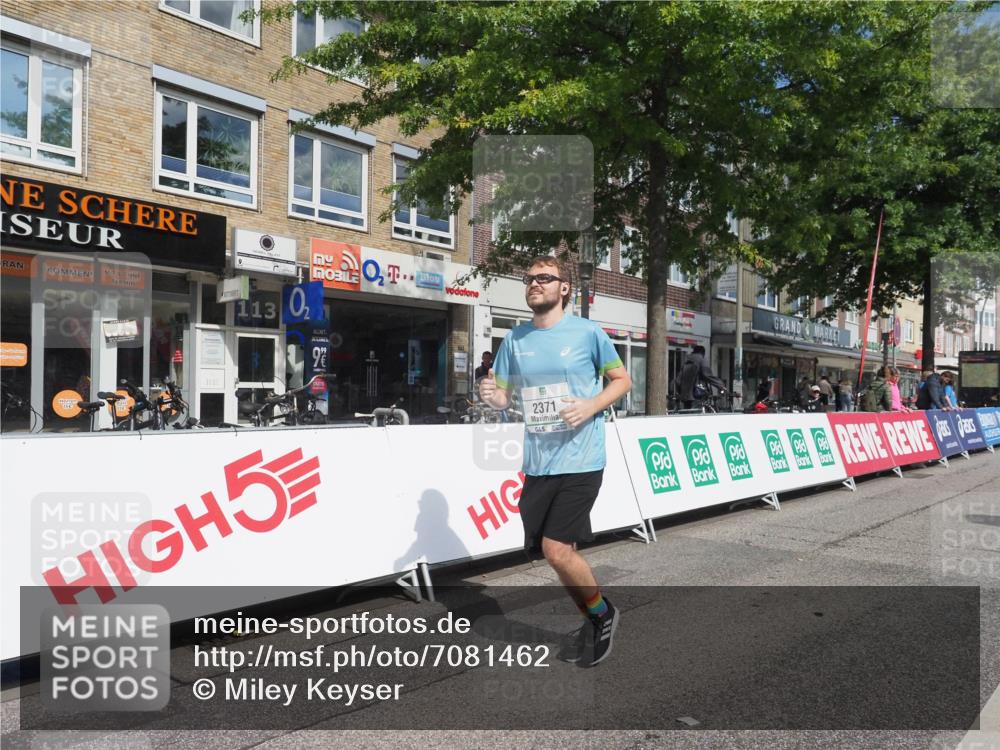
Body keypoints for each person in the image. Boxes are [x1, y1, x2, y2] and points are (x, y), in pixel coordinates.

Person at [479, 255, 632, 667]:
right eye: (529, 279)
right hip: (539, 460)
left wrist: (590, 405)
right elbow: (503, 397)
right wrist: (489, 394)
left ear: (564, 287)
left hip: (583, 456)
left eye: (544, 278)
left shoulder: (587, 333)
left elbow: (622, 380)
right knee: (553, 553)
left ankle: (602, 616)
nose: (534, 284)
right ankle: (591, 615)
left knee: (556, 548)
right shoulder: (516, 339)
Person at [677, 345, 726, 410]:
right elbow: (707, 375)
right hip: (697, 395)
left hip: (685, 397)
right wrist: (721, 385)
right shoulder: (701, 359)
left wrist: (680, 392)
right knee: (698, 415)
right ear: (702, 353)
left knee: (687, 415)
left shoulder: (686, 361)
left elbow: (678, 380)